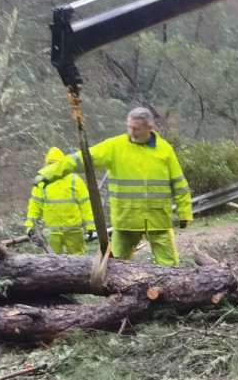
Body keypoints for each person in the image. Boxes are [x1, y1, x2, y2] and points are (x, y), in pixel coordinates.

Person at [35, 107, 193, 266]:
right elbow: (81, 159)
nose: (131, 132)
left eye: (136, 128)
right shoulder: (115, 147)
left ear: (149, 128)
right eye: (129, 127)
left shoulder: (164, 150)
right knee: (116, 268)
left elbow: (179, 183)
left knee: (170, 268)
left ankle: (168, 290)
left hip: (158, 220)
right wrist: (49, 173)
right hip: (125, 221)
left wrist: (184, 212)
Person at [25, 147, 96, 254]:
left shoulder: (75, 181)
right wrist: (30, 226)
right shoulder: (42, 182)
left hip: (74, 232)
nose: (53, 167)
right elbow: (34, 206)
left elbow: (86, 205)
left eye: (56, 164)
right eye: (51, 164)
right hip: (52, 233)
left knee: (78, 262)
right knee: (51, 263)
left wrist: (90, 227)